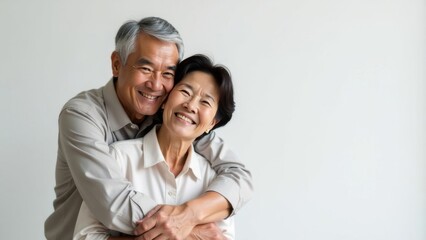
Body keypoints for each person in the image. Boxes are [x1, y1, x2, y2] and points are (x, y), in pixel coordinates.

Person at [45, 16, 253, 240]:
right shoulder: (82, 116)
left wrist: (190, 215)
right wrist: (192, 232)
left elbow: (239, 177)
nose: (155, 85)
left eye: (167, 74)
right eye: (146, 68)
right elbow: (114, 202)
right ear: (117, 64)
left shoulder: (173, 116)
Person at [73, 54, 237, 240]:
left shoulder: (212, 181)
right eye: (185, 92)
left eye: (205, 102)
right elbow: (85, 236)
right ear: (165, 100)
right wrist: (190, 234)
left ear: (212, 124)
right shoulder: (119, 157)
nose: (191, 105)